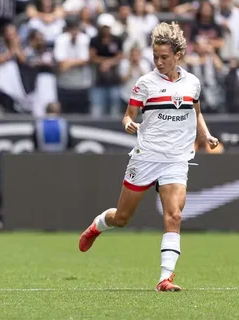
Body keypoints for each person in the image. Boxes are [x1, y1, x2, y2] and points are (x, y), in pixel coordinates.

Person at [78, 22, 220, 292]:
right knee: (122, 218)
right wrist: (128, 123)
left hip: (177, 158)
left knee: (174, 215)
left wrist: (206, 135)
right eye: (155, 56)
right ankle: (96, 227)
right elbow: (129, 115)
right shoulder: (145, 83)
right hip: (146, 157)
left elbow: (197, 113)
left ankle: (165, 278)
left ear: (178, 55)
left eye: (164, 57)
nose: (159, 61)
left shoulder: (193, 83)